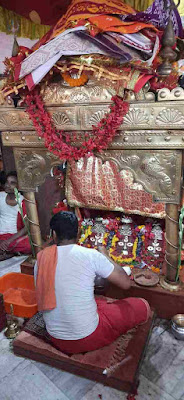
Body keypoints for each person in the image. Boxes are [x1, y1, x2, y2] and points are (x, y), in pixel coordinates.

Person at [34, 211, 151, 354]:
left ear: (53, 234)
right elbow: (125, 284)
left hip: (55, 337)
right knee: (141, 306)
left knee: (96, 302)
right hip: (88, 337)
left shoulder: (40, 259)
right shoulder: (89, 255)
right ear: (78, 233)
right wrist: (105, 255)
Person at [0, 171, 31, 260]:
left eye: (12, 183)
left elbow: (26, 227)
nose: (7, 185)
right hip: (1, 236)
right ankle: (11, 252)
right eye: (6, 182)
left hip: (14, 237)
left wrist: (8, 241)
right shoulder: (0, 197)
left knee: (29, 245)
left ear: (19, 186)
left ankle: (6, 252)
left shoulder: (23, 202)